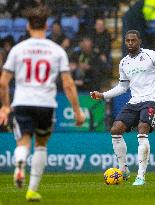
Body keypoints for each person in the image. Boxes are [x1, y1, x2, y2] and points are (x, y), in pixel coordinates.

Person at [0, 6, 85, 201]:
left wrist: (5, 105)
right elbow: (68, 84)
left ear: (28, 26)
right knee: (41, 145)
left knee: (23, 141)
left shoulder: (17, 49)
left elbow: (3, 82)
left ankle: (20, 163)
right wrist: (77, 111)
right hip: (46, 104)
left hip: (22, 102)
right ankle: (32, 190)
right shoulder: (57, 51)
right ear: (46, 26)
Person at [90, 30, 155, 186]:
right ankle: (123, 169)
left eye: (133, 40)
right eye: (127, 41)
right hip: (135, 101)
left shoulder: (151, 55)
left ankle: (140, 176)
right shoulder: (124, 62)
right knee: (115, 129)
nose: (130, 43)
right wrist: (103, 95)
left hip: (151, 100)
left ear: (139, 41)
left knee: (142, 130)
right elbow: (122, 87)